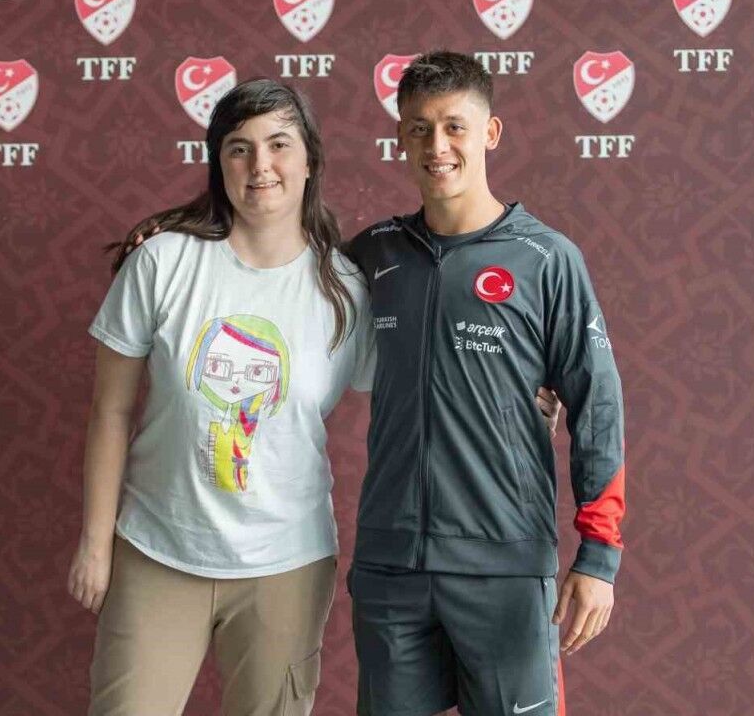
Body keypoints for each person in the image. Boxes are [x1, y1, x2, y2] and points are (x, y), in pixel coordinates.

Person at [67, 78, 561, 716]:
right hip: (157, 552)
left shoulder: (346, 288)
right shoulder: (162, 263)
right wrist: (95, 543)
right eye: (239, 148)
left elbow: (422, 383)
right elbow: (109, 414)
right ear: (219, 164)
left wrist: (513, 403)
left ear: (309, 161)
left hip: (288, 565)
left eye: (279, 144)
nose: (261, 165)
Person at [343, 52, 627, 716]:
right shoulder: (373, 253)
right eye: (419, 129)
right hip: (390, 567)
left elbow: (598, 406)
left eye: (454, 127)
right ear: (400, 137)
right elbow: (270, 269)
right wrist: (181, 232)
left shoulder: (547, 259)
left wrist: (598, 556)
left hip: (504, 566)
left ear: (490, 133)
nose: (436, 146)